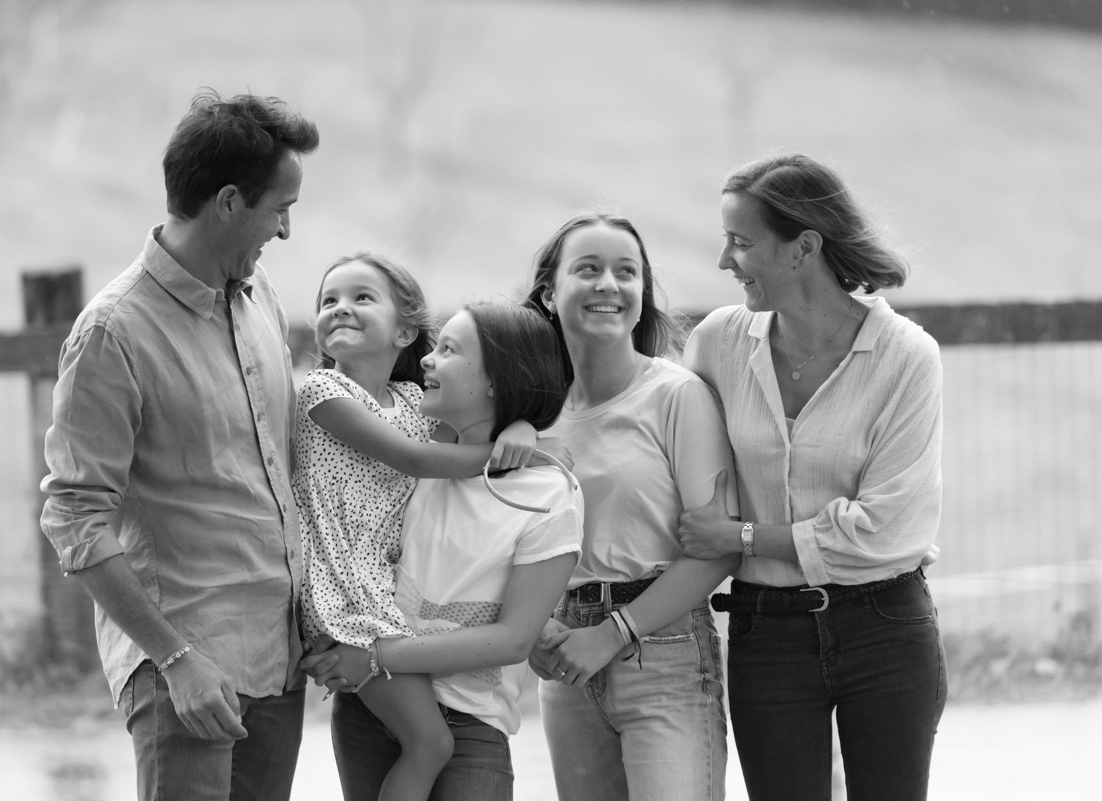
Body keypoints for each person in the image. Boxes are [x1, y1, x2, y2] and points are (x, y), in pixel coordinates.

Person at [39, 91, 319, 801]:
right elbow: (75, 519)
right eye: (279, 207)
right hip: (186, 679)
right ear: (228, 202)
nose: (285, 229)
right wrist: (176, 656)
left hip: (276, 665)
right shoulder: (114, 333)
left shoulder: (261, 302)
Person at [680, 153, 946, 801]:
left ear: (803, 248)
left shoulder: (907, 357)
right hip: (764, 632)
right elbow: (661, 439)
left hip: (884, 625)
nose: (723, 262)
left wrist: (740, 535)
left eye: (740, 243)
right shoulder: (718, 342)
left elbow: (882, 529)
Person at [303, 301, 584, 801]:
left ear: (499, 379)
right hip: (372, 708)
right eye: (434, 348)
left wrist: (373, 656)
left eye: (449, 350)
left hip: (470, 724)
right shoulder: (410, 451)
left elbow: (514, 639)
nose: (428, 359)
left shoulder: (548, 494)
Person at [522, 212, 738, 801]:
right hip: (564, 657)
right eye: (587, 269)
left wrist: (613, 633)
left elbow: (715, 551)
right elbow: (495, 538)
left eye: (626, 272)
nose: (608, 286)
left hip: (663, 652)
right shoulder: (530, 416)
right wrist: (533, 628)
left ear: (641, 295)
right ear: (549, 292)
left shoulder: (676, 396)